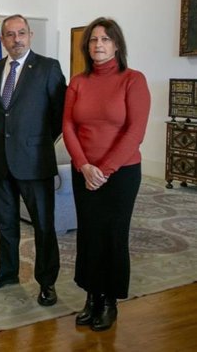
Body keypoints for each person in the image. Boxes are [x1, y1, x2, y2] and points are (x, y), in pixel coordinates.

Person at [63, 17, 150, 331]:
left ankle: (109, 301)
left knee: (112, 235)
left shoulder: (133, 80)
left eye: (105, 39)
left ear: (116, 44)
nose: (98, 45)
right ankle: (91, 297)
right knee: (88, 234)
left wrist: (104, 170)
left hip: (121, 174)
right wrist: (84, 166)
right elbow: (68, 127)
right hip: (83, 170)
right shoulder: (78, 81)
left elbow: (134, 132)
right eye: (93, 40)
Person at [0, 14, 67, 307]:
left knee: (43, 226)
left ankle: (47, 282)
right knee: (5, 223)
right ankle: (8, 272)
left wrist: (36, 142)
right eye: (9, 34)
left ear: (30, 35)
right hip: (2, 162)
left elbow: (60, 116)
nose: (15, 39)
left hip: (35, 161)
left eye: (21, 33)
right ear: (2, 39)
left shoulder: (48, 68)